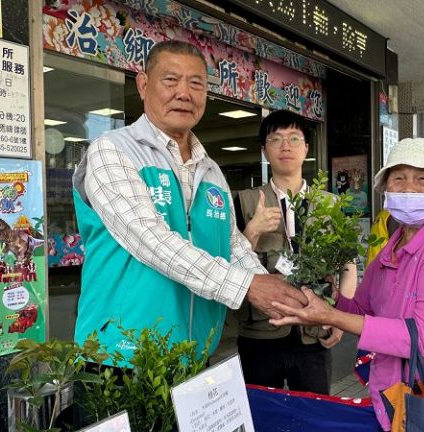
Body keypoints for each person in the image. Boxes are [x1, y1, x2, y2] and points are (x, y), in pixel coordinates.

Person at [71, 41, 307, 364]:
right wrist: (248, 286)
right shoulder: (112, 150)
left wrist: (280, 294)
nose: (184, 93)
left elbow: (233, 244)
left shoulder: (210, 171)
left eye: (196, 83)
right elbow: (153, 241)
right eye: (170, 80)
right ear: (143, 84)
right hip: (119, 357)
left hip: (193, 354)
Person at [270, 138, 424, 432]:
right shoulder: (386, 255)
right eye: (399, 179)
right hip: (398, 406)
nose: (408, 188)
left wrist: (330, 317)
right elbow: (361, 308)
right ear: (385, 189)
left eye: (421, 179)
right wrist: (325, 293)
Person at [233, 109, 353, 394]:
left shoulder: (330, 205)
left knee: (313, 414)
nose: (285, 146)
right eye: (275, 139)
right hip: (260, 333)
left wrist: (341, 319)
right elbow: (229, 264)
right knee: (261, 415)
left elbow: (347, 265)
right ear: (264, 150)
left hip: (312, 332)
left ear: (306, 148)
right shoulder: (243, 202)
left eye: (294, 138)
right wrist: (253, 230)